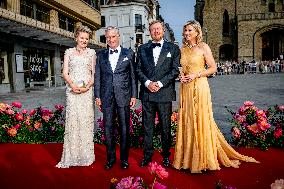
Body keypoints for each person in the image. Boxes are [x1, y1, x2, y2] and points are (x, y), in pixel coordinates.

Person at [173, 20, 259, 173]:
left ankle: (203, 158)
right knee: (188, 120)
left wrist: (196, 74)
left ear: (197, 32)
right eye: (185, 30)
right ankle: (188, 158)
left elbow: (212, 68)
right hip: (185, 88)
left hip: (199, 86)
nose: (186, 33)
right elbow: (181, 68)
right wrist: (182, 76)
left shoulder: (203, 47)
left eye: (190, 30)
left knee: (200, 119)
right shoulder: (182, 49)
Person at [136, 20, 180, 168]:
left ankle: (166, 156)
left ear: (163, 30)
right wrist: (148, 83)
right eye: (153, 29)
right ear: (149, 32)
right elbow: (138, 69)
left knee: (165, 127)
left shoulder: (173, 48)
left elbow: (174, 70)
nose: (156, 31)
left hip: (164, 93)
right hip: (147, 93)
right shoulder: (142, 48)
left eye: (158, 29)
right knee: (147, 127)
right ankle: (147, 156)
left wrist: (160, 84)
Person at [94, 26, 137, 170]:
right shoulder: (100, 55)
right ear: (105, 38)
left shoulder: (129, 53)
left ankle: (124, 159)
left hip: (123, 96)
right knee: (108, 129)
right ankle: (110, 159)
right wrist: (97, 96)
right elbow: (98, 77)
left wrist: (133, 95)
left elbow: (132, 76)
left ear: (118, 36)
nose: (111, 40)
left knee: (124, 129)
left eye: (113, 36)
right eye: (108, 37)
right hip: (106, 97)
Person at [56, 25, 96, 168]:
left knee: (85, 122)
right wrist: (73, 85)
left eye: (86, 38)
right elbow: (65, 72)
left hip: (86, 92)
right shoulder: (69, 52)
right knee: (73, 121)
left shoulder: (92, 53)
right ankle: (71, 157)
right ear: (76, 37)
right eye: (82, 38)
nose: (84, 40)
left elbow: (94, 75)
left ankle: (85, 156)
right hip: (72, 91)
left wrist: (86, 87)